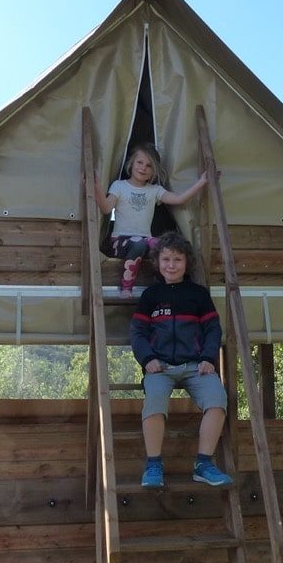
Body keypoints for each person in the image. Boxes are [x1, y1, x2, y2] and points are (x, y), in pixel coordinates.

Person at [129, 230, 233, 488]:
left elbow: (213, 329)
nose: (171, 265)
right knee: (153, 403)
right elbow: (138, 333)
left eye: (177, 260)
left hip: (196, 366)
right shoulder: (150, 296)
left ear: (187, 263)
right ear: (157, 263)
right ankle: (153, 464)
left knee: (218, 400)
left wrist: (209, 358)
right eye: (166, 260)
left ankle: (204, 464)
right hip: (159, 367)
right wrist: (148, 359)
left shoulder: (198, 294)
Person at [95, 143, 207, 298]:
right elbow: (106, 208)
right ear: (131, 163)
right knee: (139, 243)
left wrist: (201, 182)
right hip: (119, 241)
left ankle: (170, 286)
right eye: (139, 162)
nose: (143, 168)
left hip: (145, 241)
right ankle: (126, 288)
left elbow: (179, 199)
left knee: (165, 246)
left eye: (149, 166)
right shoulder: (119, 186)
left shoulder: (154, 190)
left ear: (154, 171)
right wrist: (95, 187)